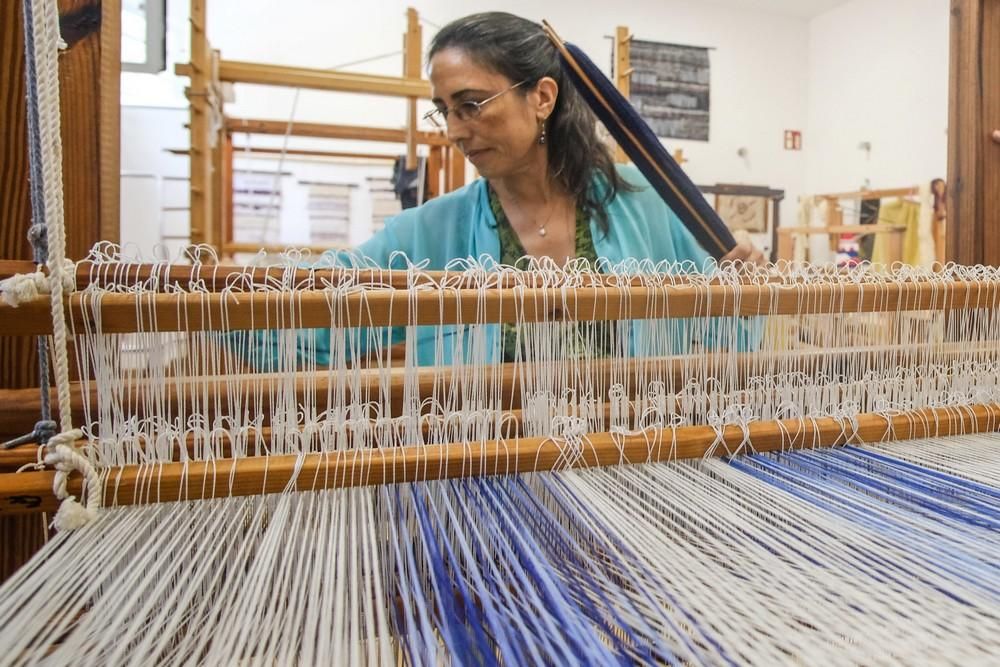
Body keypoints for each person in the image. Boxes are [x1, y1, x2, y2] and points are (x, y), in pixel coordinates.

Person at [278, 12, 764, 367]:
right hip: (491, 485)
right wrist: (215, 293)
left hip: (632, 469)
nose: (453, 130)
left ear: (542, 97)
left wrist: (745, 282)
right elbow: (311, 309)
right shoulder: (430, 231)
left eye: (470, 104)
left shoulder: (647, 202)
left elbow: (730, 329)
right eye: (444, 109)